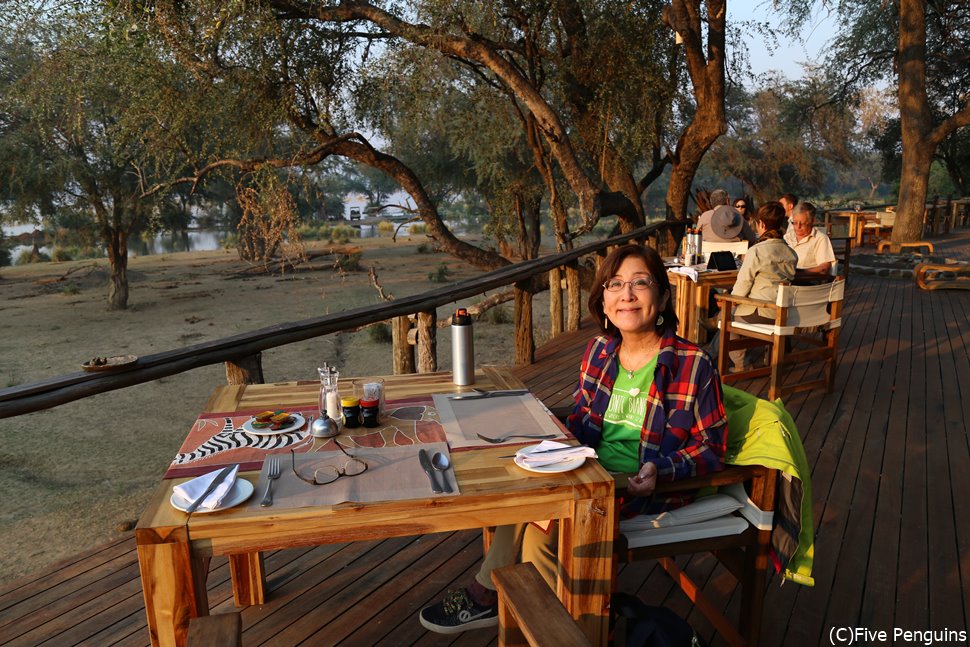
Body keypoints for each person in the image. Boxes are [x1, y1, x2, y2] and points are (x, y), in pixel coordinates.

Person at [418, 245, 729, 634]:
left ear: (663, 296)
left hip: (637, 487)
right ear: (603, 300)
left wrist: (661, 468)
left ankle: (501, 603)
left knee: (538, 534)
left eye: (640, 283)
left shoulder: (692, 363)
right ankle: (543, 621)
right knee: (524, 490)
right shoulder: (600, 350)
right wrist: (545, 442)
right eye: (614, 284)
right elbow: (581, 419)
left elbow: (711, 447)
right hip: (583, 471)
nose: (626, 294)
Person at [726, 201, 798, 371]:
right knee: (728, 313)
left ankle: (740, 364)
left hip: (760, 312)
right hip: (783, 312)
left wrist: (730, 300)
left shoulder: (756, 251)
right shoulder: (791, 252)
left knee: (725, 317)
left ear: (761, 224)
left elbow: (742, 286)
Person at [783, 201, 836, 277]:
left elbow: (824, 269)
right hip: (784, 281)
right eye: (795, 223)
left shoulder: (820, 239)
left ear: (812, 221)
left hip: (807, 282)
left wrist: (797, 273)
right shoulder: (787, 237)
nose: (798, 227)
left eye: (803, 223)